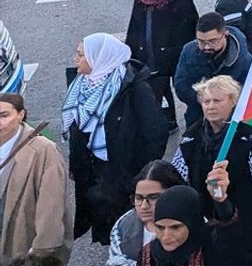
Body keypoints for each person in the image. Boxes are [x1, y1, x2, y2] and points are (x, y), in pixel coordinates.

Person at [172, 75, 252, 266]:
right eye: (206, 101)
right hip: (208, 227)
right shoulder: (191, 138)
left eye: (217, 100)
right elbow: (178, 179)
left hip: (250, 229)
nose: (210, 106)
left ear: (233, 101)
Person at [63, 34, 168, 244]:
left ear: (99, 58)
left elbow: (155, 131)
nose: (76, 59)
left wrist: (141, 173)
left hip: (122, 174)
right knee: (106, 226)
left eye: (81, 55)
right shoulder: (81, 84)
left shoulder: (133, 88)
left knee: (129, 231)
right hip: (93, 172)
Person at [125, 0, 199, 131]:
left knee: (186, 89)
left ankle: (197, 121)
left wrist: (184, 52)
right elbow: (134, 27)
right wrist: (131, 51)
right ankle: (168, 122)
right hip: (149, 54)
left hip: (175, 55)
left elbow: (191, 27)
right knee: (158, 89)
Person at [0, 93, 72, 264]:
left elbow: (52, 205)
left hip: (23, 251)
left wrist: (42, 249)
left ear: (21, 115)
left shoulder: (44, 150)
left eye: (4, 115)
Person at [174, 13, 252, 128]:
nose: (206, 47)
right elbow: (181, 86)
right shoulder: (188, 52)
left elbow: (250, 90)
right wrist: (205, 100)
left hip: (233, 119)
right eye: (200, 41)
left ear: (225, 35)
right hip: (197, 116)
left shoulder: (244, 60)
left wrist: (222, 101)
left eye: (212, 41)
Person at [107, 160, 186, 266]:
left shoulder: (197, 225)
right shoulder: (123, 226)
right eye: (139, 198)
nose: (144, 206)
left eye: (153, 198)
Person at [139, 183, 237, 266]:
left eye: (175, 227)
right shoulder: (148, 255)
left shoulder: (211, 247)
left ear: (191, 225)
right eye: (160, 227)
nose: (165, 236)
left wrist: (221, 201)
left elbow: (228, 233)